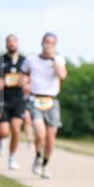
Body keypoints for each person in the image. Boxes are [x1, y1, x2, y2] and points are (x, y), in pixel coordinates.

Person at [22, 32, 67, 179]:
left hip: (51, 101)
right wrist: (25, 84)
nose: (48, 45)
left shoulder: (58, 59)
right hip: (35, 99)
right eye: (46, 42)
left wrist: (53, 59)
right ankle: (38, 156)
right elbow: (23, 74)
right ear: (42, 43)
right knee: (40, 134)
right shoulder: (31, 59)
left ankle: (45, 165)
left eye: (52, 43)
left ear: (55, 45)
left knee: (50, 137)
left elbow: (62, 75)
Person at [0, 35, 28, 170]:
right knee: (4, 131)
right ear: (6, 45)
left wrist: (27, 83)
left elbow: (31, 76)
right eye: (9, 43)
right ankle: (1, 140)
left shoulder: (24, 61)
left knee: (16, 129)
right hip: (2, 99)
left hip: (19, 99)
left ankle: (12, 158)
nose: (11, 45)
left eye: (13, 42)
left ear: (17, 43)